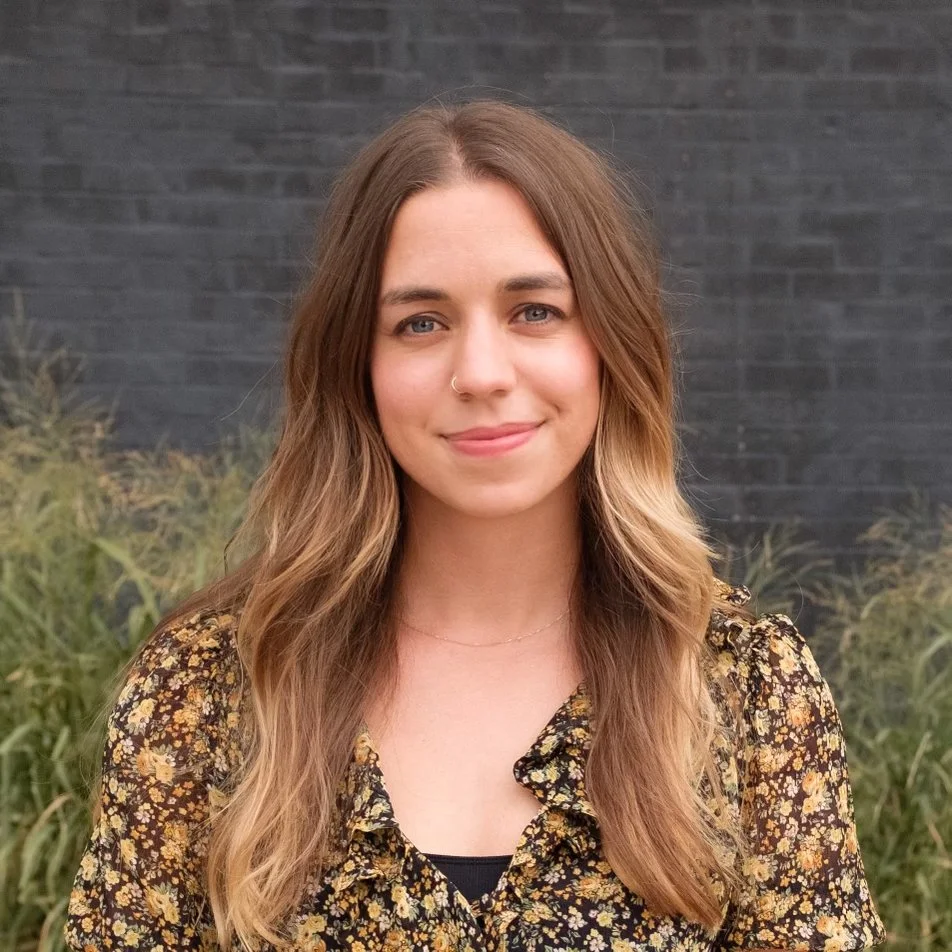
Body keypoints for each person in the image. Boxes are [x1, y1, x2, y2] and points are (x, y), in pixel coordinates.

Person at [64, 99, 887, 951]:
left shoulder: (743, 686)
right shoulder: (211, 688)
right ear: (358, 366)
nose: (482, 373)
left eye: (535, 311)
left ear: (611, 344)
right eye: (421, 323)